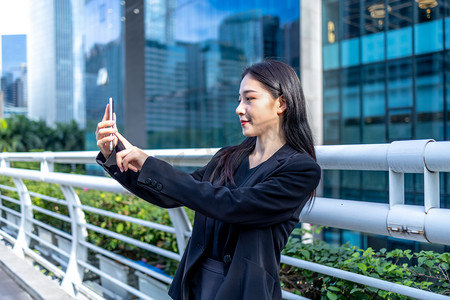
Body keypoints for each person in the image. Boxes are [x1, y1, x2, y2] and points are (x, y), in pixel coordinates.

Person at [95, 60, 321, 300]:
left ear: (282, 103)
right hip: (194, 284)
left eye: (250, 99)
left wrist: (149, 163)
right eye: (239, 100)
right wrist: (115, 154)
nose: (239, 109)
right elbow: (174, 192)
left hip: (244, 291)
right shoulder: (228, 157)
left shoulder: (301, 169)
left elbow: (234, 205)